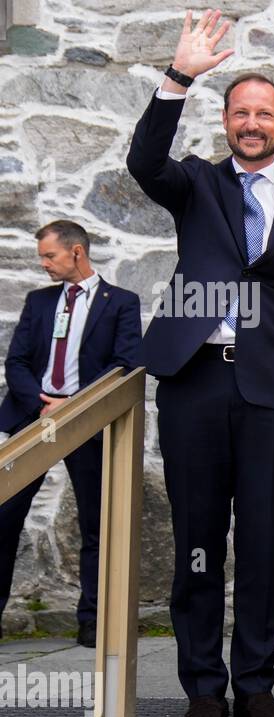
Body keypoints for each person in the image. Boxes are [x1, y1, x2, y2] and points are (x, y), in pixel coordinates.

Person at [126, 11, 274, 717]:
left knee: (261, 545)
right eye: (241, 112)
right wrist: (178, 77)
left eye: (264, 113)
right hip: (193, 384)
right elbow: (142, 163)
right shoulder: (193, 184)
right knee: (195, 540)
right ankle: (202, 690)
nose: (252, 124)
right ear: (225, 120)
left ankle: (255, 685)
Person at [0, 221, 141, 647]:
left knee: (98, 523)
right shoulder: (40, 301)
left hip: (89, 422)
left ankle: (93, 621)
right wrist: (43, 403)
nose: (43, 264)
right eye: (43, 256)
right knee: (4, 515)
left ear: (77, 252)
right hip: (34, 418)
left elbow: (125, 365)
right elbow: (17, 361)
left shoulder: (121, 302)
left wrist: (74, 405)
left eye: (50, 256)